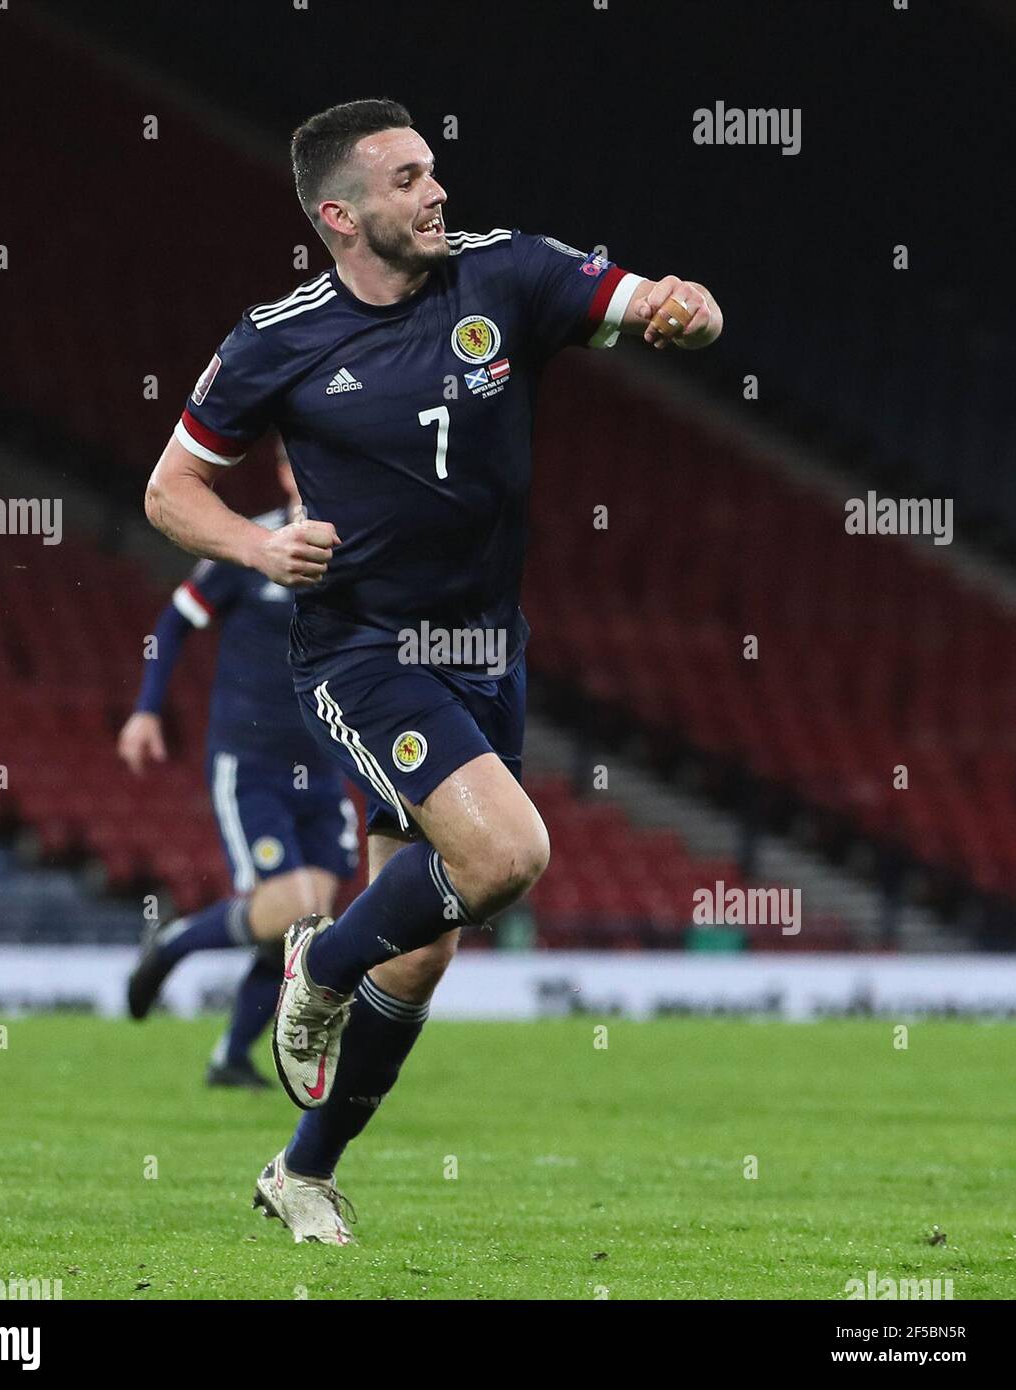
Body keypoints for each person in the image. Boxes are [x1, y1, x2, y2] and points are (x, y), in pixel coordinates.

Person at [144, 98, 722, 1243]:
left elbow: (635, 301)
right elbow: (170, 491)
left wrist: (682, 310)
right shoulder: (276, 340)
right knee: (508, 854)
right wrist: (259, 546)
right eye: (408, 179)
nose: (436, 192)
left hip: (486, 644)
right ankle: (320, 959)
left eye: (432, 171)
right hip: (361, 647)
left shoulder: (503, 273)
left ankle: (302, 1173)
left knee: (429, 948)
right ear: (340, 215)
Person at [119, 443, 358, 1089]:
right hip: (250, 762)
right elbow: (173, 623)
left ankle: (229, 1056)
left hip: (325, 762)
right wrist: (146, 711)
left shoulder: (354, 550)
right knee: (287, 910)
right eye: (294, 461)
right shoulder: (250, 546)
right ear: (282, 471)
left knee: (308, 925)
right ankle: (173, 944)